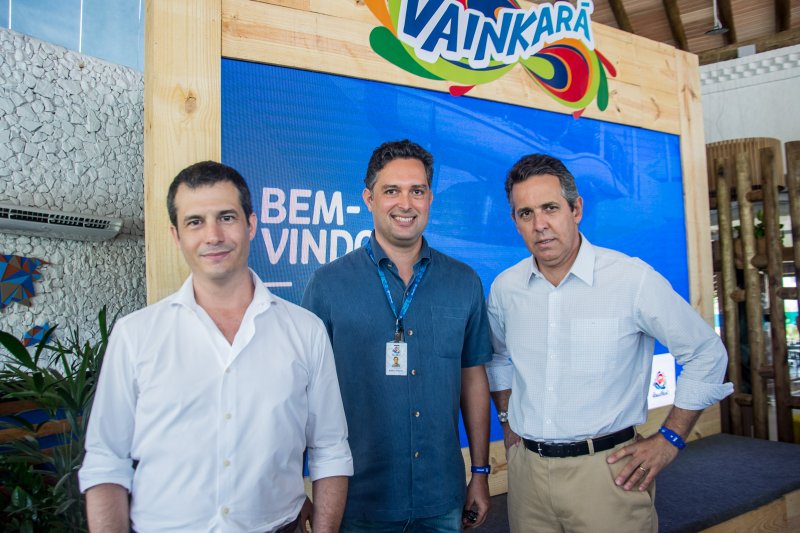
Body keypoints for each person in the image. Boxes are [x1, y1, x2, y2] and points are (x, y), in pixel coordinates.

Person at [79, 161, 353, 533]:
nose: (213, 235)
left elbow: (330, 450)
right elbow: (106, 462)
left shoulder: (305, 331)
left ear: (251, 224)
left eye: (226, 217)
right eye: (195, 222)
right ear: (176, 235)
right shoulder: (135, 335)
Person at [486, 154, 732, 533]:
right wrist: (507, 421)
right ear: (515, 221)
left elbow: (706, 353)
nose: (540, 225)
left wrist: (670, 438)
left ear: (576, 209)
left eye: (550, 208)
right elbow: (497, 358)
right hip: (527, 475)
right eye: (526, 213)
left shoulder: (631, 280)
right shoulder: (506, 288)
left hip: (608, 474)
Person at [301, 140, 493, 531]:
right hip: (356, 501)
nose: (405, 203)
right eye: (392, 190)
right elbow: (300, 393)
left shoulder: (464, 282)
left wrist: (480, 472)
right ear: (369, 199)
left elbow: (473, 377)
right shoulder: (327, 285)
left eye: (417, 191)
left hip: (442, 499)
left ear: (430, 198)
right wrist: (294, 485)